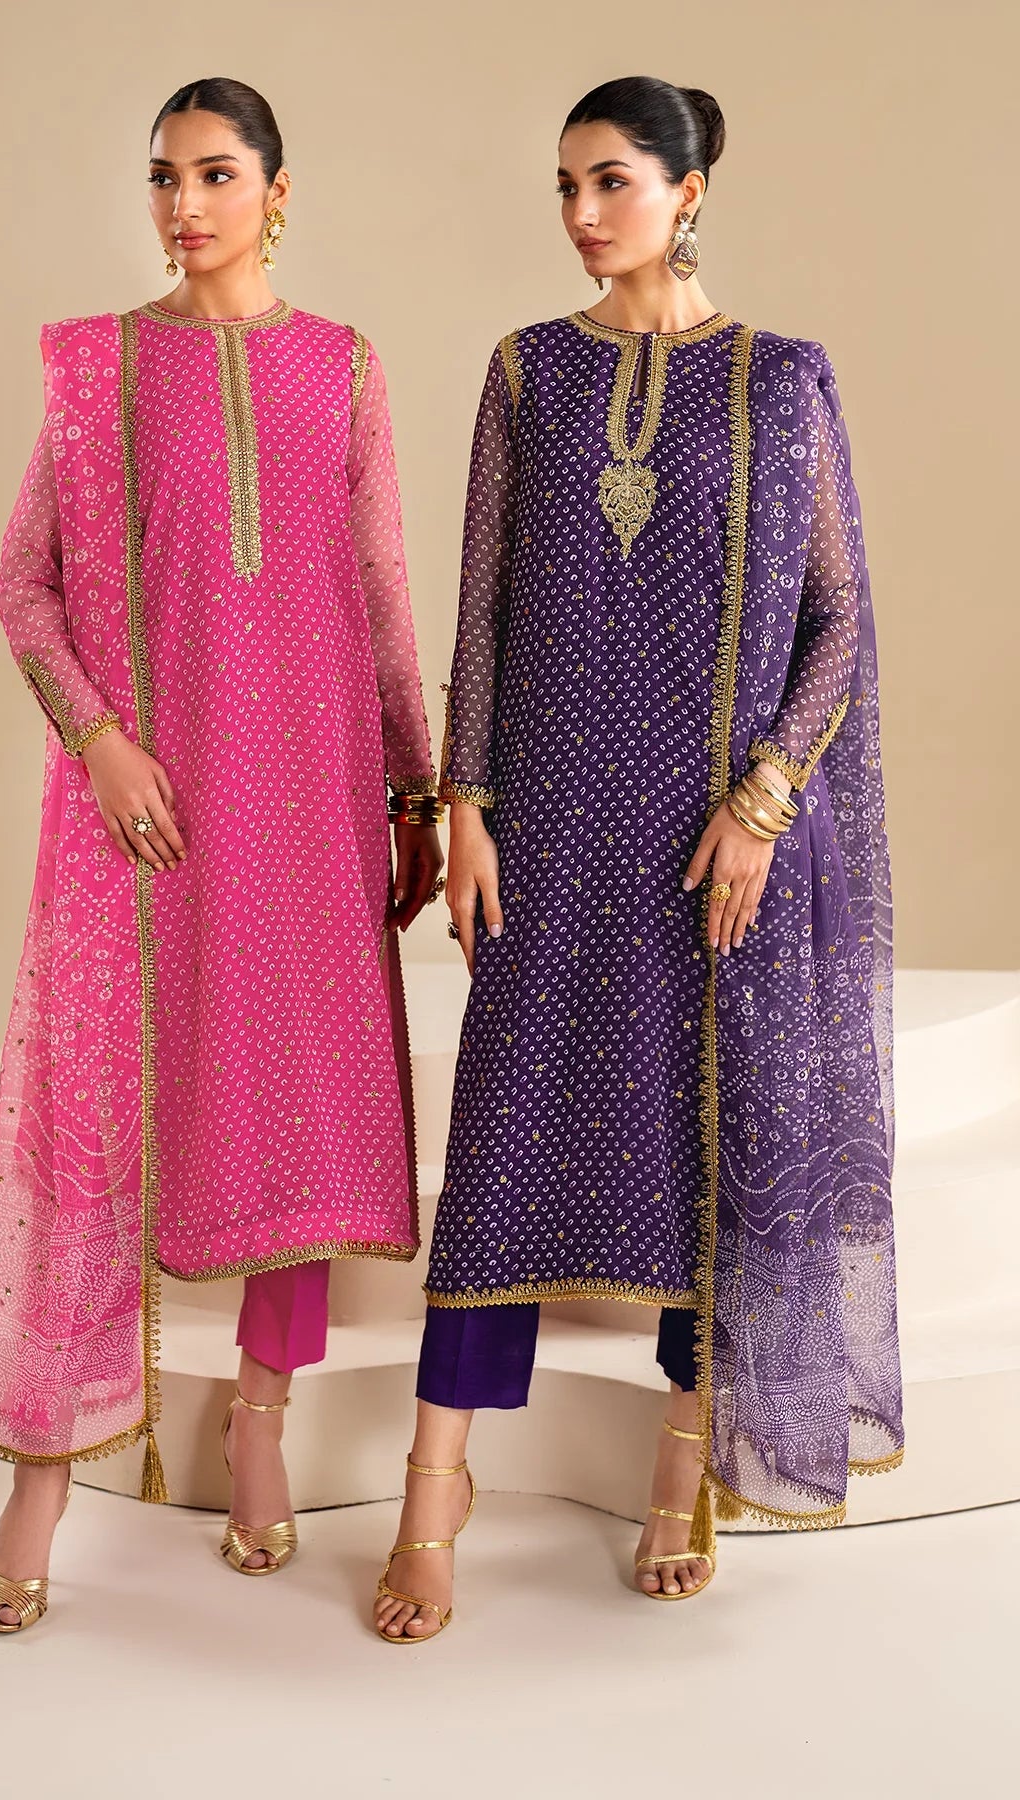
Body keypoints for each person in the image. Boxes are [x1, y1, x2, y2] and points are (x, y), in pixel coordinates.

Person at [373, 74, 902, 1643]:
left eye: (610, 181)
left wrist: (763, 803)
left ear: (689, 191)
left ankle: (685, 1470)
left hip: (704, 848)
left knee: (707, 1143)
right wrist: (466, 801)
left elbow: (838, 620)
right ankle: (432, 1494)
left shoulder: (782, 380)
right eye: (565, 186)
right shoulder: (528, 371)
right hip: (547, 828)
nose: (582, 213)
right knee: (504, 1144)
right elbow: (481, 601)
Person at [0, 75, 443, 1632]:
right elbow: (24, 587)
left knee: (299, 1105)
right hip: (154, 812)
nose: (186, 204)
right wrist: (100, 743)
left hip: (310, 792)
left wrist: (417, 788)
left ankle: (258, 1423)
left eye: (218, 174)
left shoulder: (344, 366)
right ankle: (41, 1475)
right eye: (166, 176)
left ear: (277, 194)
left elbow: (379, 585)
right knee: (100, 1113)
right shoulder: (98, 369)